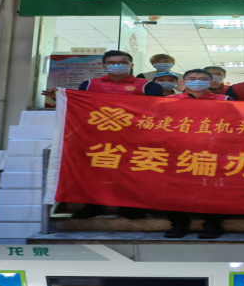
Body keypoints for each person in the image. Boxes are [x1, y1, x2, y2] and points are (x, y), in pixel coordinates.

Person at [42, 51, 163, 220]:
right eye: (111, 62)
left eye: (122, 62)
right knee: (94, 171)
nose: (117, 65)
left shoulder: (147, 86)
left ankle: (130, 207)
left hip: (134, 138)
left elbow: (158, 111)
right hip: (96, 137)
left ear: (131, 65)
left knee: (132, 172)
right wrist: (60, 99)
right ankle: (93, 205)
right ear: (103, 66)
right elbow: (78, 107)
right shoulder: (89, 85)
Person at [164, 69, 231, 239]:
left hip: (213, 152)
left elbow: (235, 125)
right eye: (192, 79)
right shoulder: (169, 101)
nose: (197, 81)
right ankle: (178, 224)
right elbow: (158, 124)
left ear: (211, 82)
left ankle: (212, 224)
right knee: (175, 189)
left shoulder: (225, 100)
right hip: (177, 152)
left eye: (203, 79)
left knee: (212, 189)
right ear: (183, 82)